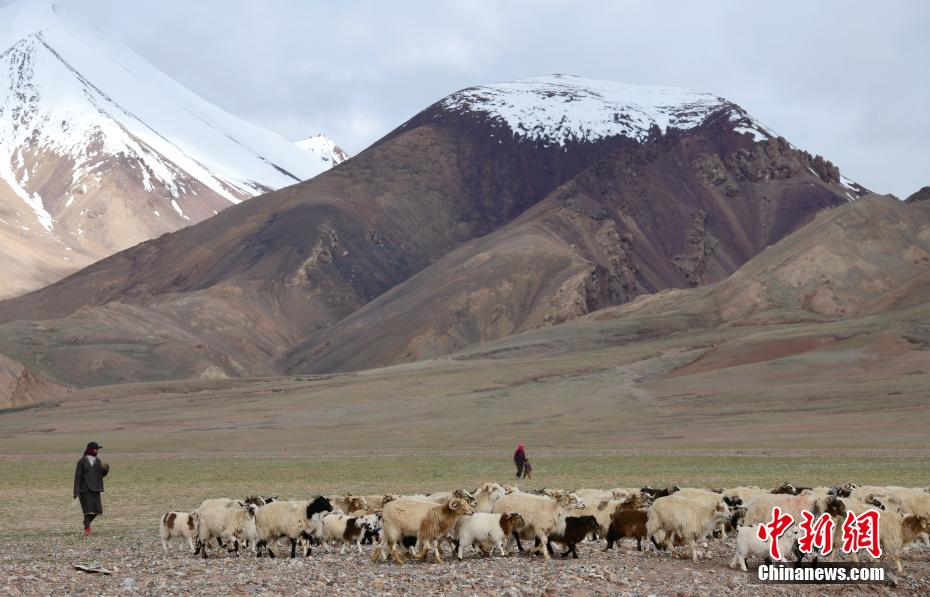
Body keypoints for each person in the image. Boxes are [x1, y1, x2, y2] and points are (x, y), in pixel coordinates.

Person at [73, 441, 109, 537]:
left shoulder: (98, 461)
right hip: (84, 490)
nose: (97, 451)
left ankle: (86, 522)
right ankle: (87, 529)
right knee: (87, 511)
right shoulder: (81, 462)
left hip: (95, 489)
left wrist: (105, 470)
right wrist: (76, 492)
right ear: (91, 450)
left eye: (98, 449)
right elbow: (77, 477)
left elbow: (100, 475)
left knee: (98, 510)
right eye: (96, 449)